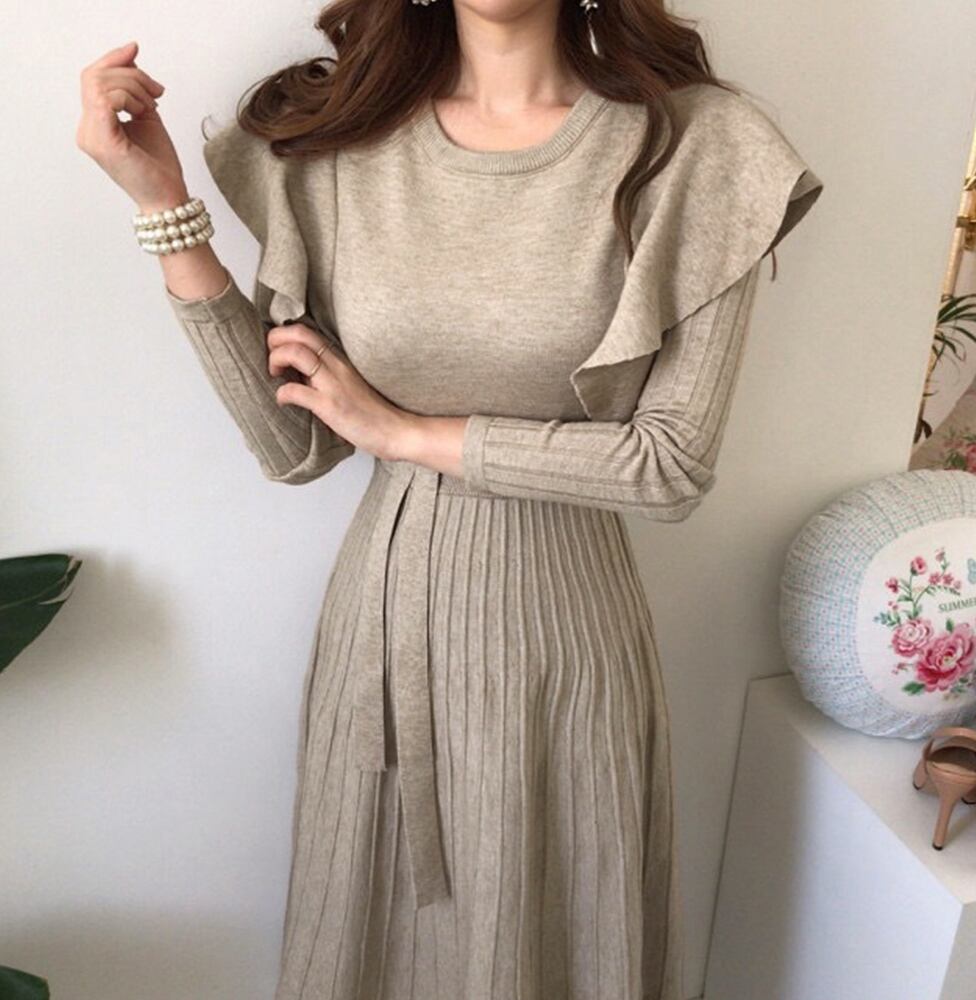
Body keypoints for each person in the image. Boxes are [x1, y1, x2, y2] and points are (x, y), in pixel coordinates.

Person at [76, 0, 822, 993]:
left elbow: (668, 463)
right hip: (381, 641)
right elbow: (296, 443)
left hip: (565, 649)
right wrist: (164, 205)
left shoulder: (695, 147)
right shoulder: (338, 146)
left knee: (551, 942)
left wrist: (405, 433)